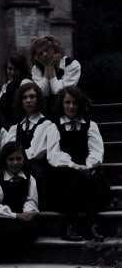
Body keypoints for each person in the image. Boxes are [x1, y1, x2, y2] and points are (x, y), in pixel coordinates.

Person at [46, 86, 110, 241]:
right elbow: (53, 155)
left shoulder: (90, 125)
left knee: (88, 178)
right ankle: (69, 224)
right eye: (67, 102)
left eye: (74, 103)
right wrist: (74, 166)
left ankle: (92, 225)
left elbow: (96, 151)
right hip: (64, 173)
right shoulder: (54, 126)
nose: (71, 106)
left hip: (87, 172)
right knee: (74, 177)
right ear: (61, 104)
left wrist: (87, 166)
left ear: (80, 104)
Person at [7, 79, 52, 209]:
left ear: (38, 99)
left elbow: (36, 152)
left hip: (37, 171)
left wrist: (15, 158)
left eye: (32, 96)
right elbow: (8, 151)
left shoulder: (45, 124)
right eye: (24, 97)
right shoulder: (16, 127)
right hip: (18, 170)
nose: (28, 100)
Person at [30, 35, 81, 117]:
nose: (45, 54)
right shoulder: (36, 69)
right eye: (40, 53)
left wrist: (50, 66)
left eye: (46, 50)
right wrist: (47, 67)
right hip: (46, 114)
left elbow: (58, 91)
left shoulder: (72, 65)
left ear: (54, 49)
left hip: (71, 112)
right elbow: (44, 92)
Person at [0, 49, 31, 129]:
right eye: (10, 68)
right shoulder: (6, 86)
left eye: (16, 69)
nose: (12, 72)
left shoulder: (26, 84)